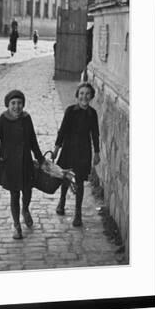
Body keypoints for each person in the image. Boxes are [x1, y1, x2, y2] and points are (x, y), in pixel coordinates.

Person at [0, 90, 44, 239]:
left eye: (19, 103)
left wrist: (40, 158)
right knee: (14, 193)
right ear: (8, 105)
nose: (17, 106)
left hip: (25, 163)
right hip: (9, 164)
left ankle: (25, 209)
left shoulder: (26, 118)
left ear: (23, 104)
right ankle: (16, 224)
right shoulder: (2, 120)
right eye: (13, 103)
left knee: (28, 191)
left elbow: (33, 140)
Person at [52, 82, 100, 227]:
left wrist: (97, 152)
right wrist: (56, 148)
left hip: (84, 151)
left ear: (91, 96)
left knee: (79, 181)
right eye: (81, 94)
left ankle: (77, 214)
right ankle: (62, 201)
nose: (84, 97)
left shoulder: (92, 114)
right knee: (66, 177)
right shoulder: (70, 111)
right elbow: (63, 130)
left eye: (87, 94)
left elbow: (95, 134)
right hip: (68, 149)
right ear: (77, 96)